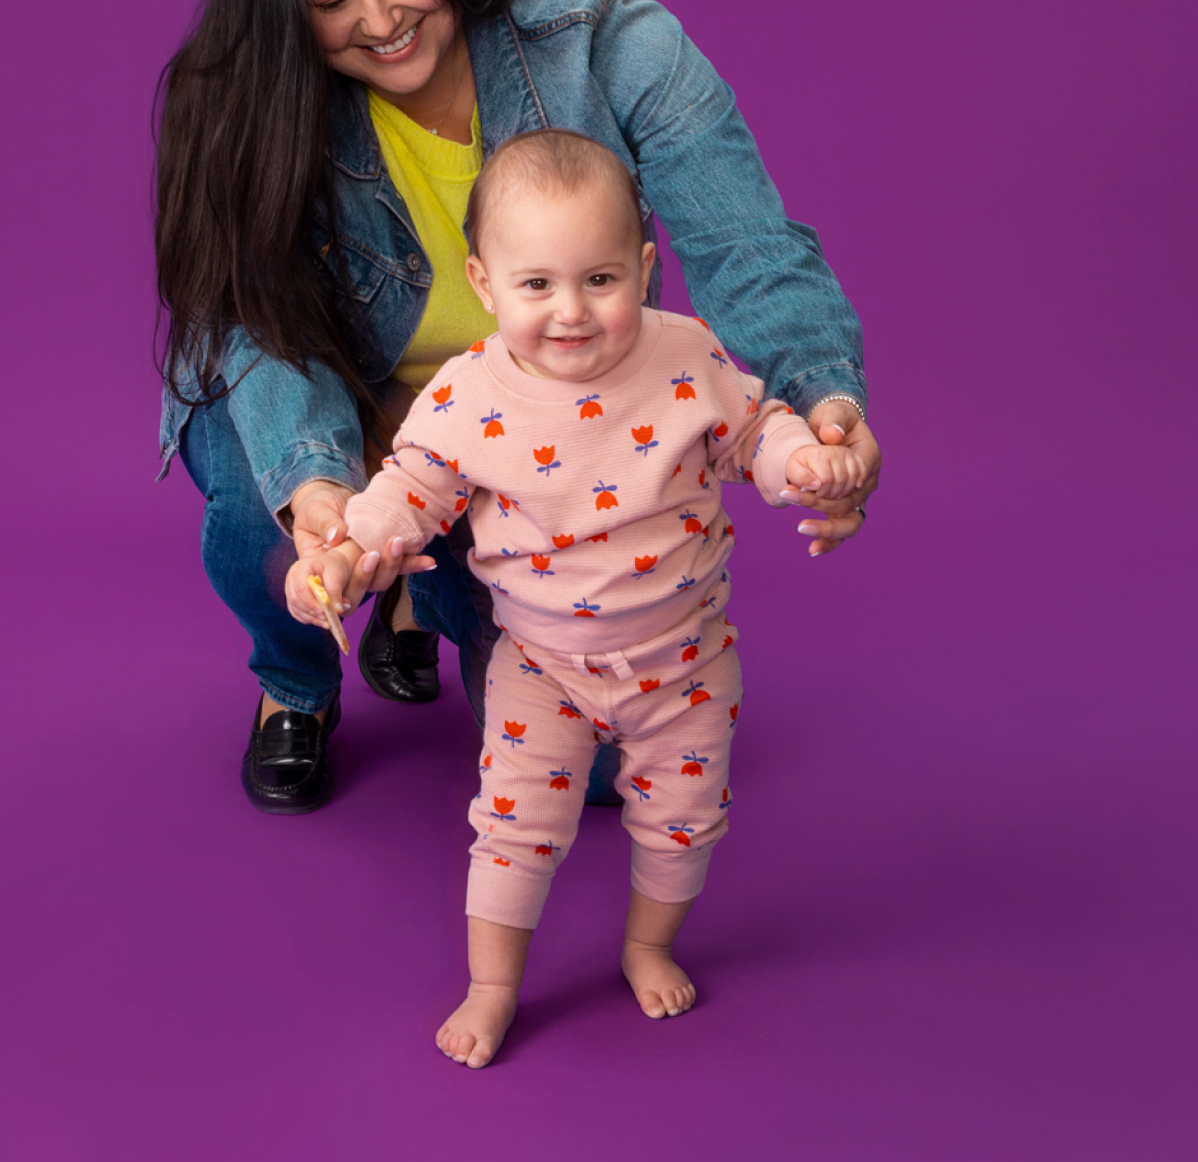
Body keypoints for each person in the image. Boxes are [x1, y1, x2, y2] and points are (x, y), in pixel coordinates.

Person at [155, 0, 879, 816]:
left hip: (527, 429)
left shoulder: (603, 35)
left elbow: (744, 239)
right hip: (326, 401)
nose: (381, 19)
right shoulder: (237, 95)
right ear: (282, 9)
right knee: (253, 494)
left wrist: (823, 403)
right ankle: (296, 681)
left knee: (581, 786)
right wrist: (324, 501)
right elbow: (256, 323)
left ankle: (420, 595)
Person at [287, 130, 866, 1066]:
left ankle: (647, 944)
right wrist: (355, 548)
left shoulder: (686, 357)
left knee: (686, 819)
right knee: (513, 828)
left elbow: (752, 429)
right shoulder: (465, 394)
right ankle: (494, 985)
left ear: (643, 268)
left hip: (685, 660)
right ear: (483, 282)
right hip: (540, 664)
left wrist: (803, 460)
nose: (571, 313)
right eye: (536, 285)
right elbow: (411, 487)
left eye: (601, 280)